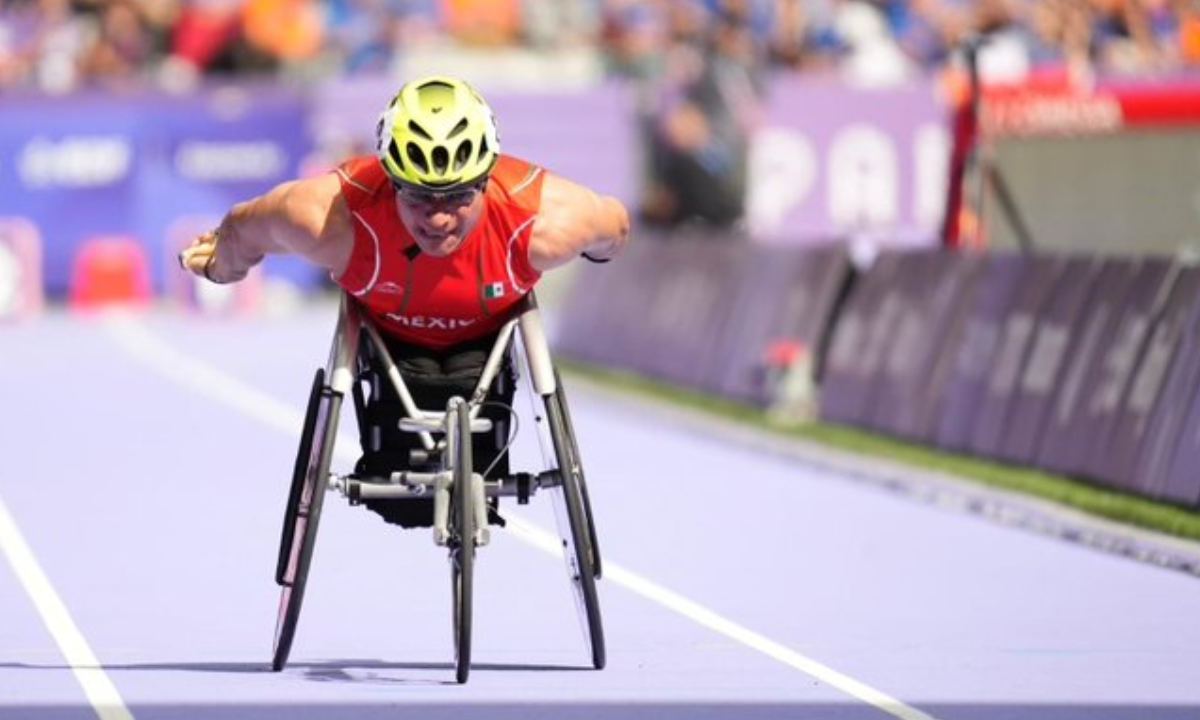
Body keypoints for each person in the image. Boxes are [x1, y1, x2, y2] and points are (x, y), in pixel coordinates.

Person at [179, 75, 630, 526]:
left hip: (489, 347)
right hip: (387, 350)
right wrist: (223, 266)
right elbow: (244, 228)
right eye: (418, 197)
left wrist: (598, 246)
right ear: (392, 182)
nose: (437, 218)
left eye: (457, 196)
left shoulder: (545, 221)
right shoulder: (330, 218)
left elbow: (615, 225)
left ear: (486, 180)